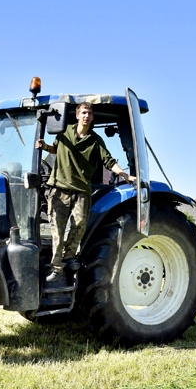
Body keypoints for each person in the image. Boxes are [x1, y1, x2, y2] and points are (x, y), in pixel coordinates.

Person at [35, 102, 134, 285]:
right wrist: (45, 147)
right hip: (60, 189)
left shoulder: (95, 141)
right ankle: (56, 268)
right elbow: (57, 148)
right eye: (83, 113)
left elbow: (108, 160)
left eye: (89, 113)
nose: (86, 116)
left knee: (79, 224)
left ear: (92, 117)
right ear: (77, 116)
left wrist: (124, 174)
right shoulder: (63, 133)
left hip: (81, 190)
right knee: (57, 228)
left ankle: (70, 256)